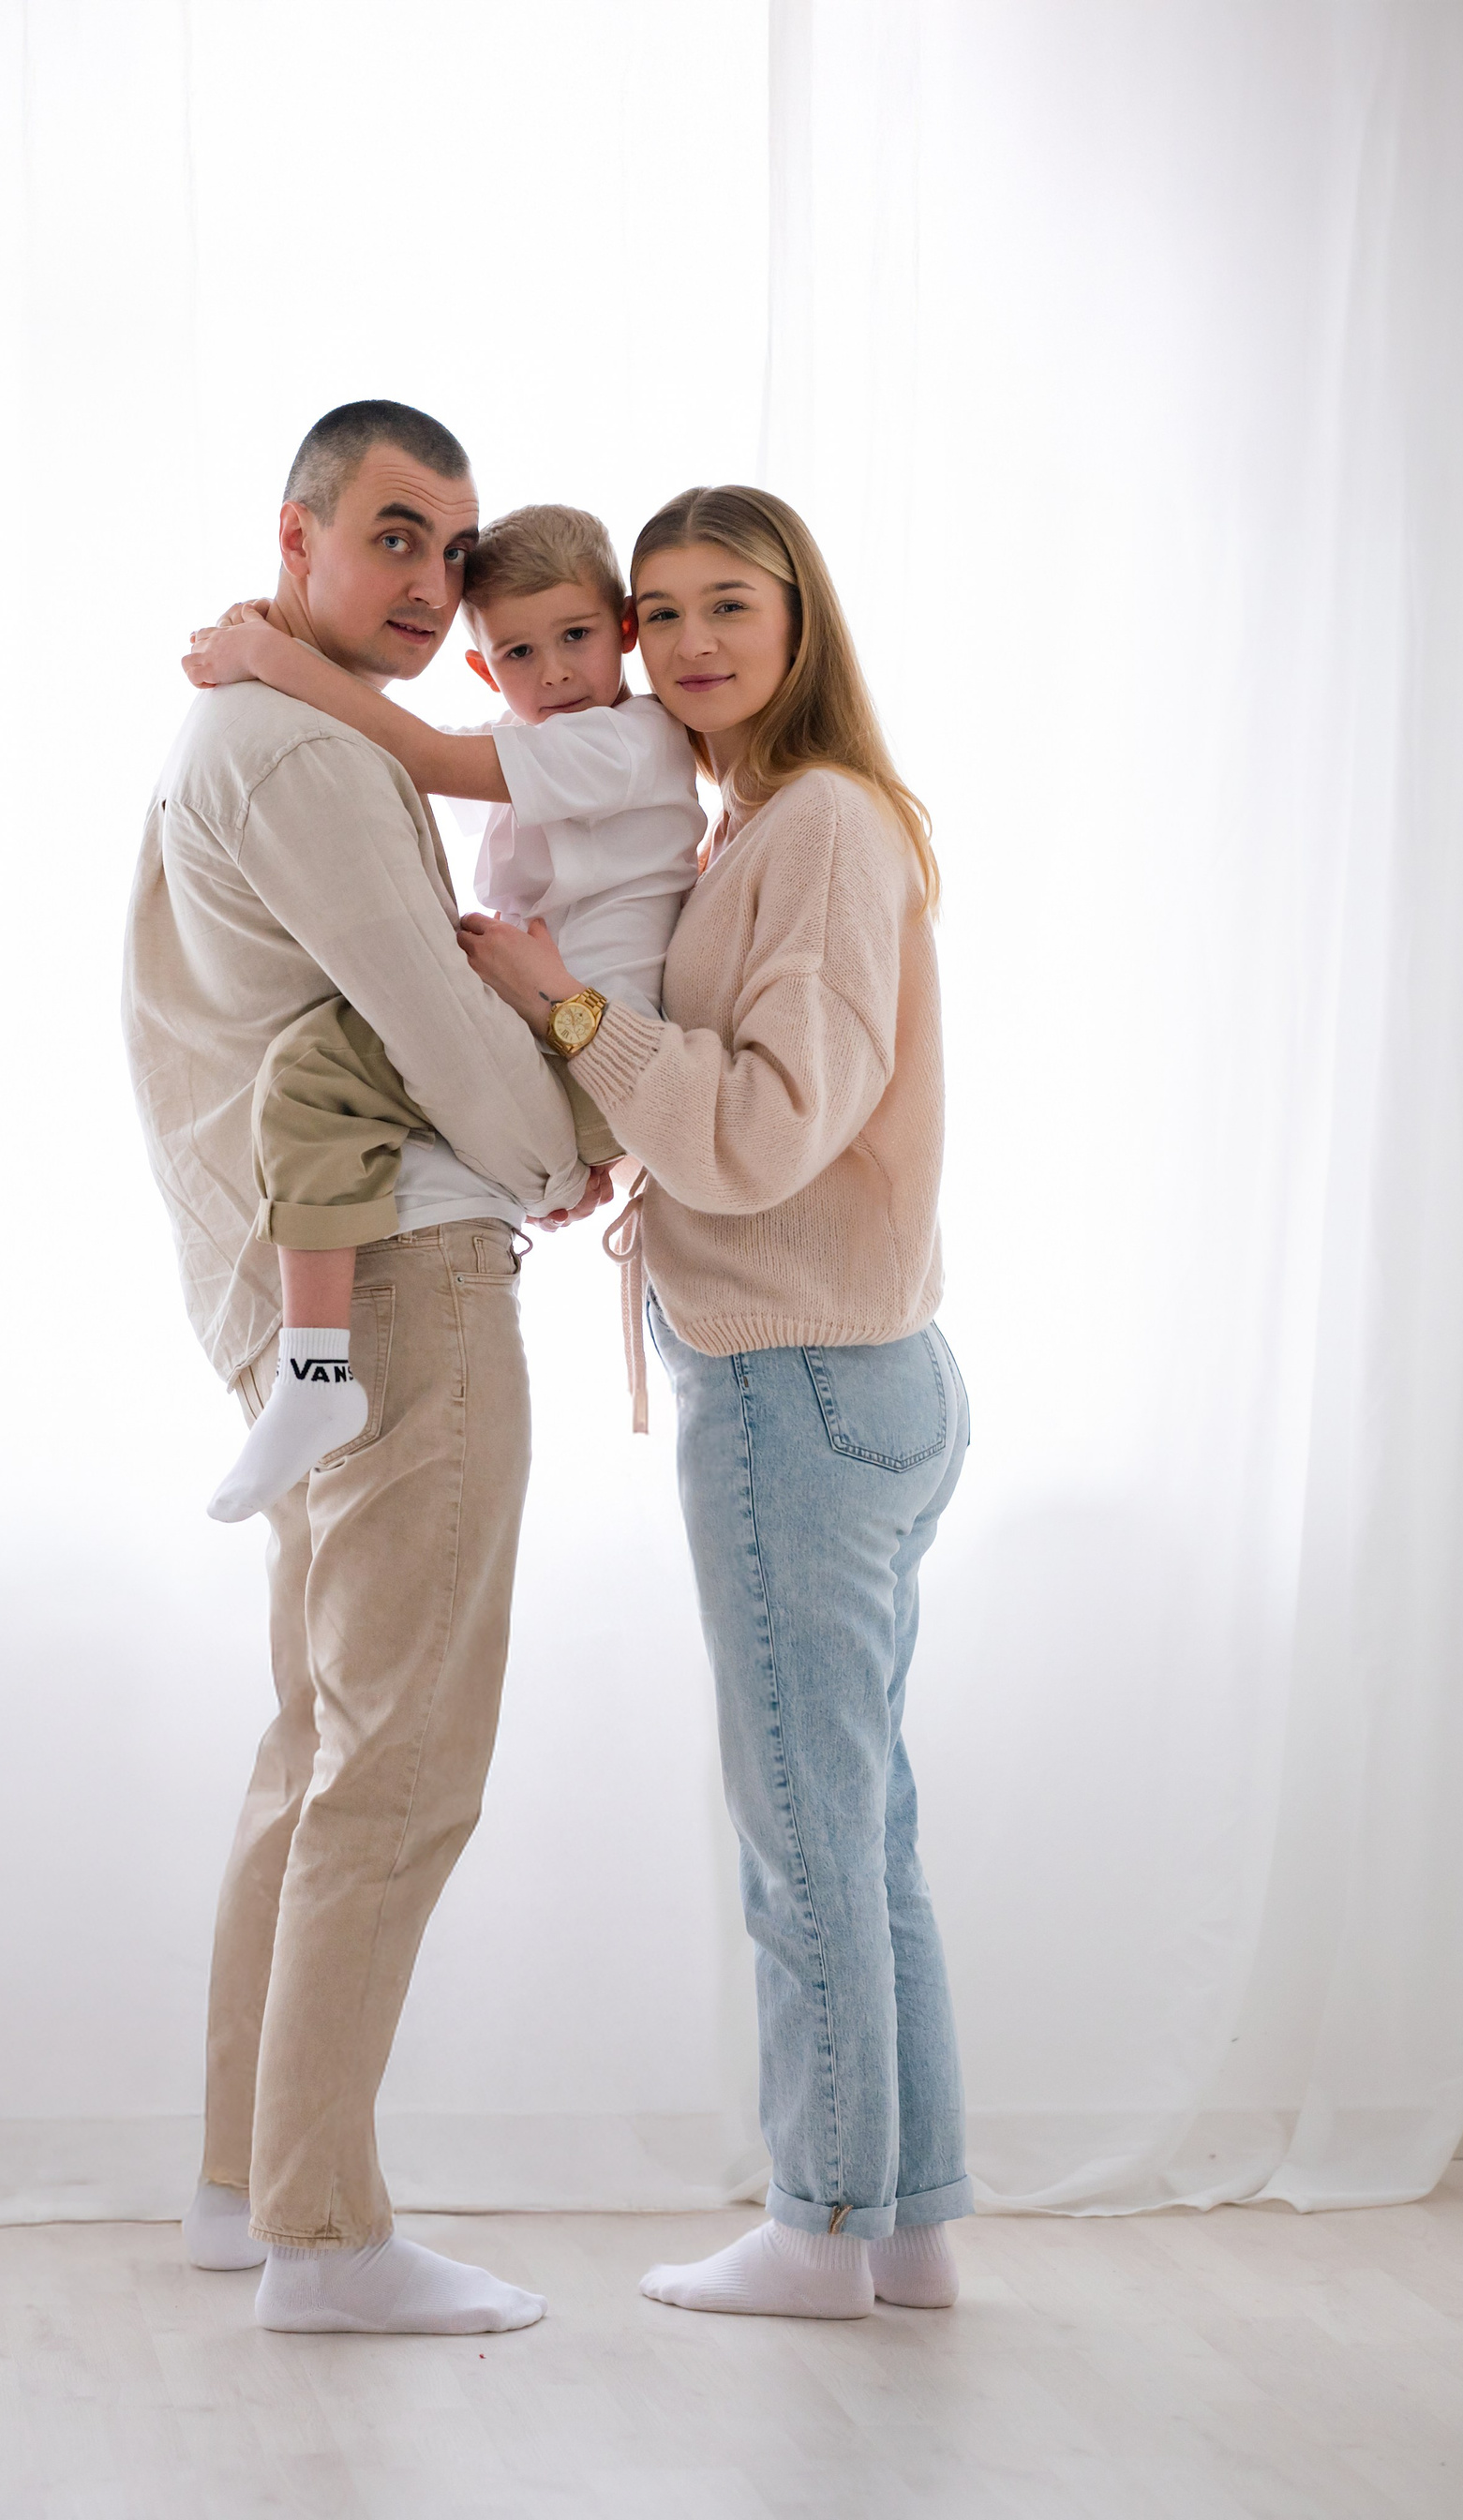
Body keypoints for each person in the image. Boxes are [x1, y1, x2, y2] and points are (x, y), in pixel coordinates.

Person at [122, 398, 612, 2336]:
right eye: (395, 534)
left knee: (317, 1745)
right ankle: (325, 2239)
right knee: (396, 1767)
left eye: (452, 550)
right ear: (298, 536)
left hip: (321, 1292)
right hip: (406, 1286)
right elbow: (433, 1013)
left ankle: (245, 2189)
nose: (430, 581)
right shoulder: (304, 751)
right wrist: (565, 1156)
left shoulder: (247, 726)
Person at [459, 484, 972, 2320]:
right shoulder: (768, 818)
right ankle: (902, 2226)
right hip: (851, 1367)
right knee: (860, 1822)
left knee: (806, 1834)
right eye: (658, 611)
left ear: (798, 615)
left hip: (793, 1382)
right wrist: (618, 1126)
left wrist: (569, 1016)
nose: (685, 643)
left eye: (725, 604)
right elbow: (747, 1104)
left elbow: (760, 1131)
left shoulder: (817, 824)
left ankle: (819, 2229)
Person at [183, 503, 705, 1520]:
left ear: (624, 630)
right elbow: (378, 745)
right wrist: (271, 634)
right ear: (483, 668)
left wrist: (271, 657)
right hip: (568, 1055)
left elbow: (418, 754)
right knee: (332, 1076)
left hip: (589, 1050)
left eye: (577, 637)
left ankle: (314, 1378)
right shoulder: (534, 742)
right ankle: (315, 1373)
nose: (554, 672)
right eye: (519, 652)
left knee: (312, 1076)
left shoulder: (631, 739)